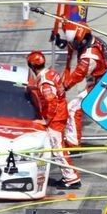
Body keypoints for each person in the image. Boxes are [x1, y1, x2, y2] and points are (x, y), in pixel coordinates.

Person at [27, 51, 81, 190]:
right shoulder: (51, 73)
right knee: (60, 147)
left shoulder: (44, 81)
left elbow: (51, 102)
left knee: (58, 149)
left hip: (55, 118)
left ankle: (71, 179)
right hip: (61, 113)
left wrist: (47, 121)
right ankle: (69, 175)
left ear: (32, 66)